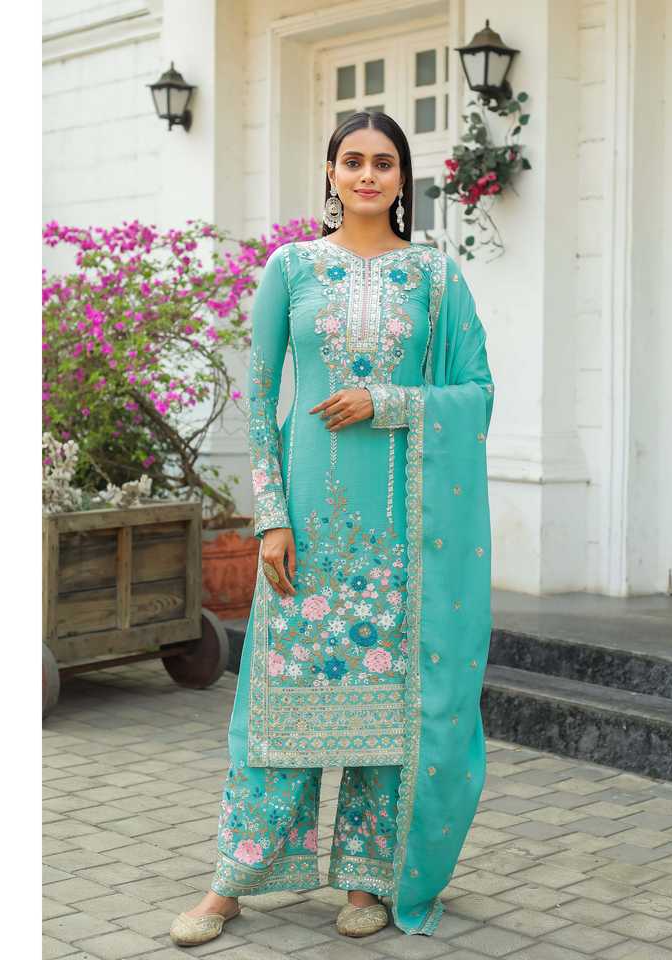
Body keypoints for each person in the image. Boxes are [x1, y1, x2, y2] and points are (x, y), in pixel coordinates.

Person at [170, 110, 495, 945]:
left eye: (384, 162)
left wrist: (388, 402)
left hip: (401, 540)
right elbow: (259, 399)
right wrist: (270, 520)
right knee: (278, 709)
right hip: (306, 535)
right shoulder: (292, 267)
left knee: (385, 717)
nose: (367, 175)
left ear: (403, 178)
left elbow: (477, 392)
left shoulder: (435, 277)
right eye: (353, 161)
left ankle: (367, 878)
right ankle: (233, 881)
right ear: (330, 172)